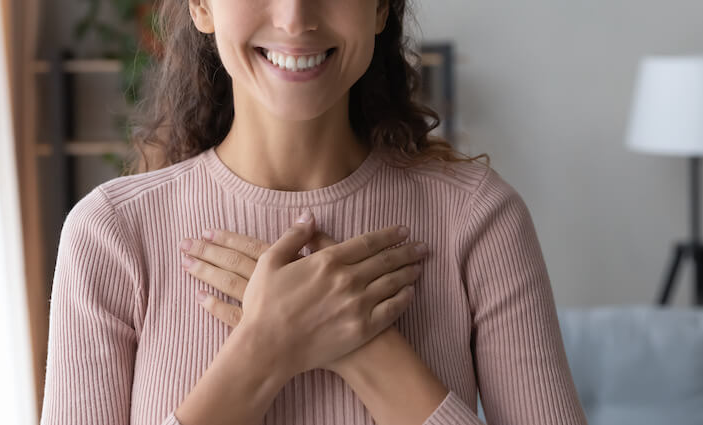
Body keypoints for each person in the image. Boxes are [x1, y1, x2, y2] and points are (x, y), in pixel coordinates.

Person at [40, 0, 588, 424]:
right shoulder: (111, 234)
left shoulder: (479, 218)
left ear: (379, 8)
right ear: (202, 5)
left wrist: (367, 348)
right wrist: (263, 350)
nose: (295, 17)